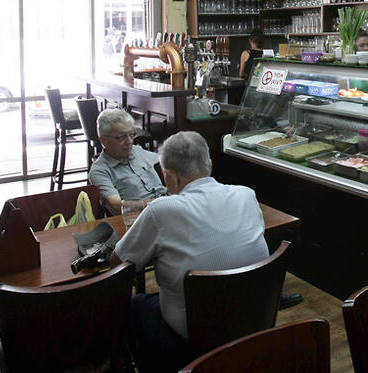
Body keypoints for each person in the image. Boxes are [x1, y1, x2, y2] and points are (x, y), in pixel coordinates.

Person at [114, 131, 269, 372]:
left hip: (193, 334)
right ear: (209, 166)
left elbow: (119, 263)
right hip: (250, 321)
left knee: (134, 306)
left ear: (171, 178)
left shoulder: (161, 210)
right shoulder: (246, 195)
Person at [88, 109, 167, 215]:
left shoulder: (138, 151)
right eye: (121, 137)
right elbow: (116, 206)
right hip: (139, 219)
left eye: (131, 134)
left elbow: (170, 164)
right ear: (103, 141)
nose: (129, 141)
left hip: (167, 209)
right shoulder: (100, 170)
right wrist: (156, 204)